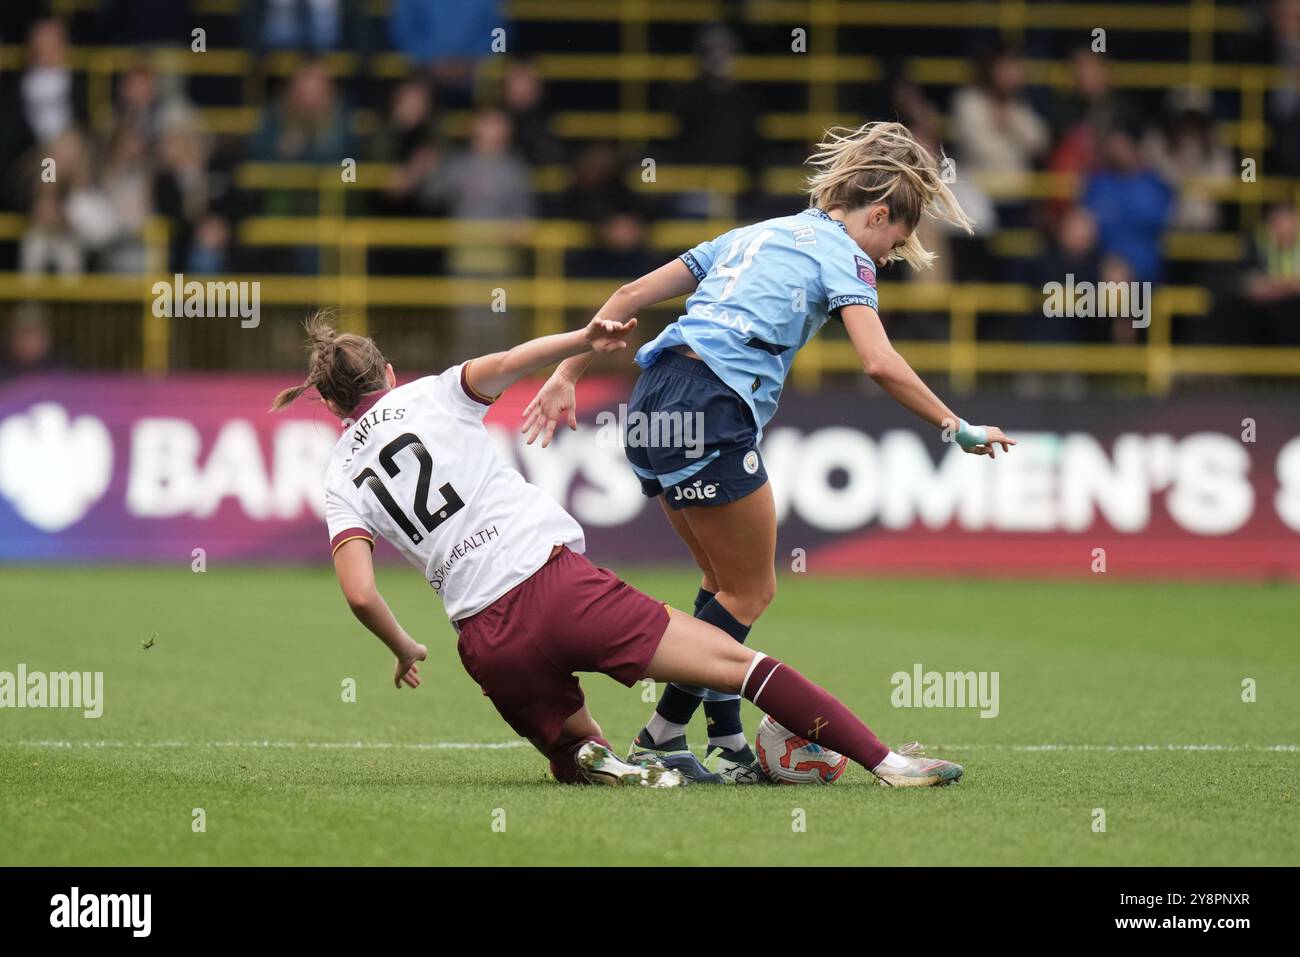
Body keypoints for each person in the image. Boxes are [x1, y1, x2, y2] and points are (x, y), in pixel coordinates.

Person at [270, 314, 965, 789]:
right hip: (557, 585)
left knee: (574, 749)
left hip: (484, 635)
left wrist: (402, 645)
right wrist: (586, 337)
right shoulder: (431, 394)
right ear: (387, 374)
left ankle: (604, 759)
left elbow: (360, 590)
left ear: (331, 407)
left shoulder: (338, 475)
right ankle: (887, 762)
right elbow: (514, 362)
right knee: (738, 663)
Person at [522, 121, 1014, 782]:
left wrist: (566, 374)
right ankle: (662, 735)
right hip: (710, 404)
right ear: (875, 215)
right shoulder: (846, 254)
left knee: (722, 588)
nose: (890, 257)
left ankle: (723, 742)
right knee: (753, 590)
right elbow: (878, 360)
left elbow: (628, 298)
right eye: (895, 241)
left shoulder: (754, 233)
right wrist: (957, 425)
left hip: (652, 399)